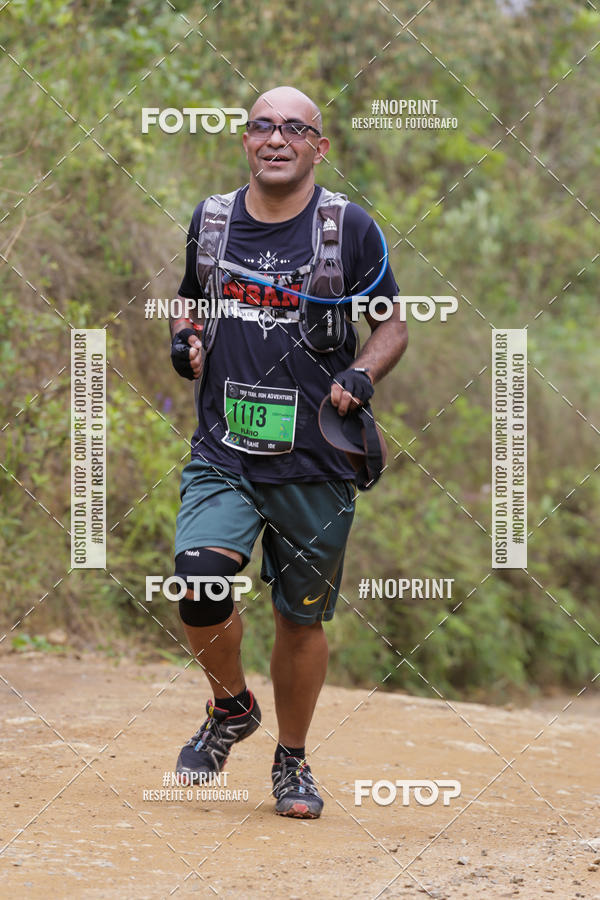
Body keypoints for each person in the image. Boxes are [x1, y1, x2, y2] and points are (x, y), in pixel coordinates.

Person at [169, 85, 407, 819]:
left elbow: (393, 323)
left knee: (301, 619)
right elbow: (189, 298)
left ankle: (292, 763)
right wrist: (184, 337)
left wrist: (362, 373)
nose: (276, 139)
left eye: (294, 129)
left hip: (317, 461)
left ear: (318, 146)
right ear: (246, 139)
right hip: (225, 451)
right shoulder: (211, 221)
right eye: (262, 127)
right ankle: (232, 706)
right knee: (198, 581)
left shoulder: (349, 229)